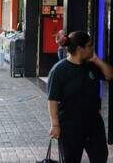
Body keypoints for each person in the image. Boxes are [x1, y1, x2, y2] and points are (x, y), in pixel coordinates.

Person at [48, 31, 113, 163]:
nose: (92, 48)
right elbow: (52, 100)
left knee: (100, 158)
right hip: (70, 127)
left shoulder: (91, 66)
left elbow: (109, 75)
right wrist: (55, 125)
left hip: (94, 124)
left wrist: (96, 60)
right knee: (71, 160)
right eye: (89, 46)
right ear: (79, 49)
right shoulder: (59, 70)